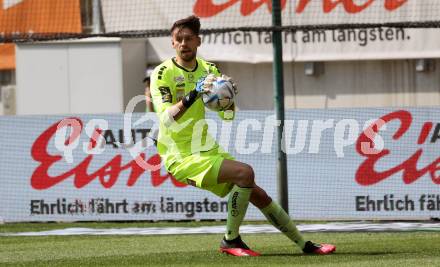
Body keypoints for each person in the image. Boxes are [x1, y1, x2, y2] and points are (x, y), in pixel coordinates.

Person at [149, 15, 336, 257]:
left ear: (198, 41)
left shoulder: (209, 70)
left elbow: (227, 117)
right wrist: (193, 94)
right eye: (178, 39)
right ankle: (231, 240)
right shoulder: (162, 73)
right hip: (180, 156)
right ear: (172, 43)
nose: (184, 43)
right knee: (245, 172)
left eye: (188, 38)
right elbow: (165, 118)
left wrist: (227, 99)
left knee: (258, 194)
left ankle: (305, 245)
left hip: (206, 149)